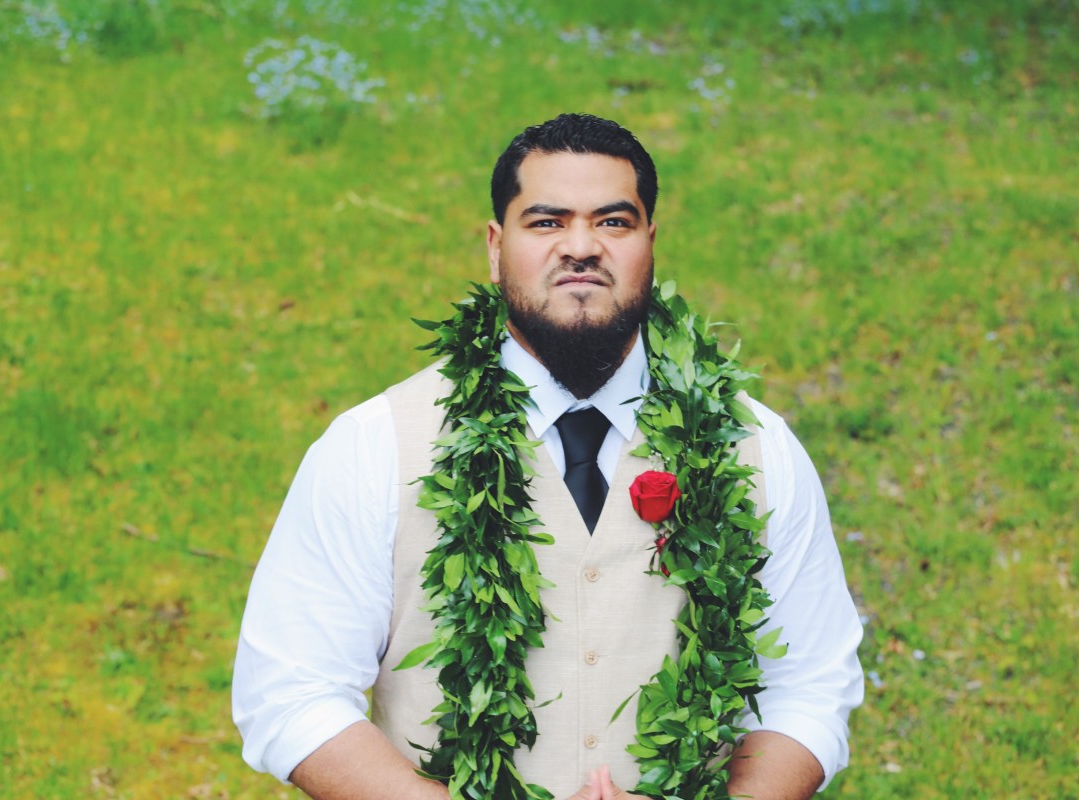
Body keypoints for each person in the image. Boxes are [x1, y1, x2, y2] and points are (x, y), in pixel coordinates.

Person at [233, 113, 863, 800]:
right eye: (547, 222)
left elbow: (808, 685)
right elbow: (292, 690)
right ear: (496, 247)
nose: (582, 246)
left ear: (651, 242)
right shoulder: (375, 447)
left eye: (614, 222)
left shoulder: (756, 448)